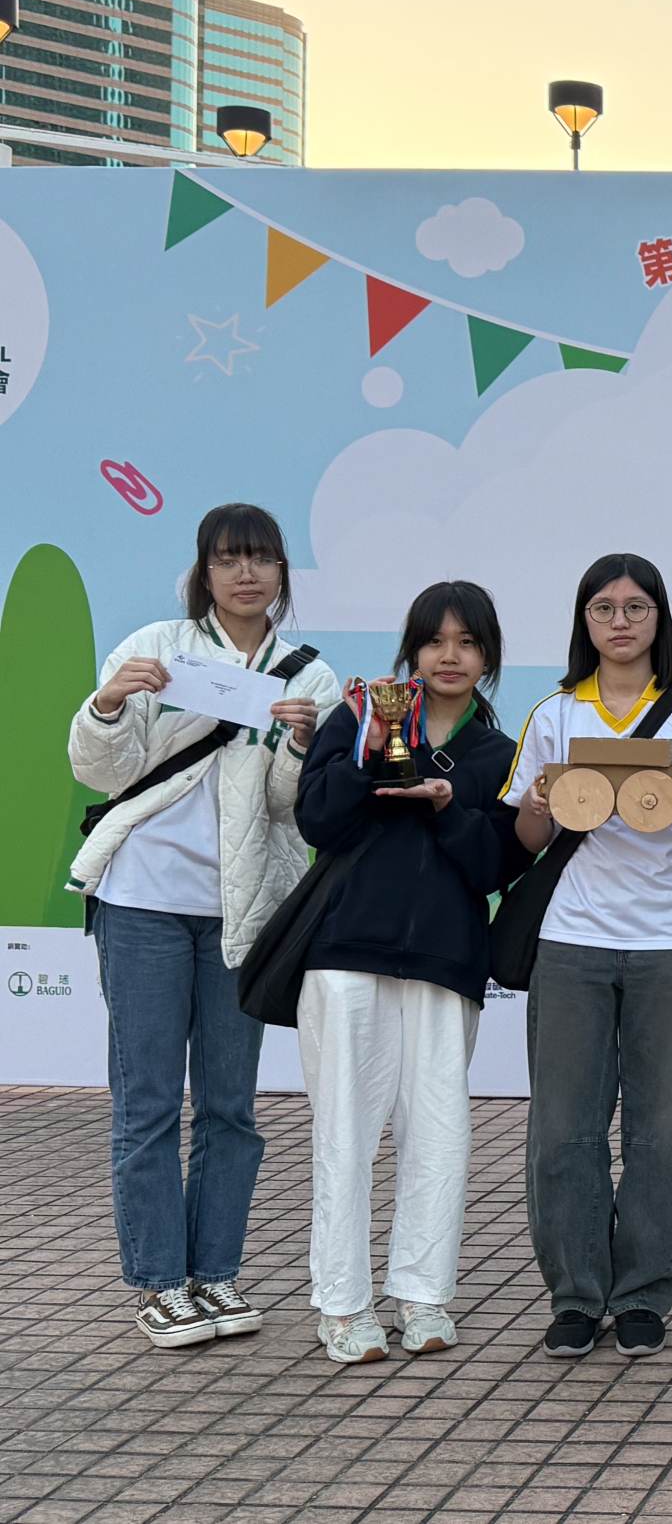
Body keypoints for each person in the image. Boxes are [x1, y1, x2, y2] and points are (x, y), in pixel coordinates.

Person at [67, 502, 340, 1347]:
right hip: (142, 900)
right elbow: (100, 769)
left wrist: (299, 747)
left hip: (240, 910)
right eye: (228, 559)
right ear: (203, 571)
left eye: (261, 558)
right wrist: (109, 703)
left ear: (283, 574)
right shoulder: (156, 648)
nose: (245, 573)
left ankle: (215, 1275)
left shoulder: (310, 678)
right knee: (145, 1102)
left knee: (230, 1106)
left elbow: (291, 811)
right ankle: (157, 1282)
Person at [501, 553, 672, 1360]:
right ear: (584, 622)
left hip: (668, 942)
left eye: (636, 607)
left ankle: (643, 1295)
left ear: (659, 620)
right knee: (563, 1130)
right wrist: (538, 806)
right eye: (603, 607)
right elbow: (527, 838)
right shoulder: (552, 716)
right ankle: (575, 1296)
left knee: (664, 1131)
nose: (620, 621)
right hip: (571, 941)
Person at [294, 582, 532, 1364]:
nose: (450, 656)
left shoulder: (501, 754)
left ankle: (423, 1298)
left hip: (445, 961)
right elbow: (316, 820)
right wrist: (371, 761)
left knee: (438, 1134)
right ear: (412, 650)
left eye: (467, 643)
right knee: (345, 1133)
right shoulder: (358, 719)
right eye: (435, 641)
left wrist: (443, 806)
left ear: (488, 657)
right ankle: (343, 1307)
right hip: (345, 956)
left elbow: (497, 863)